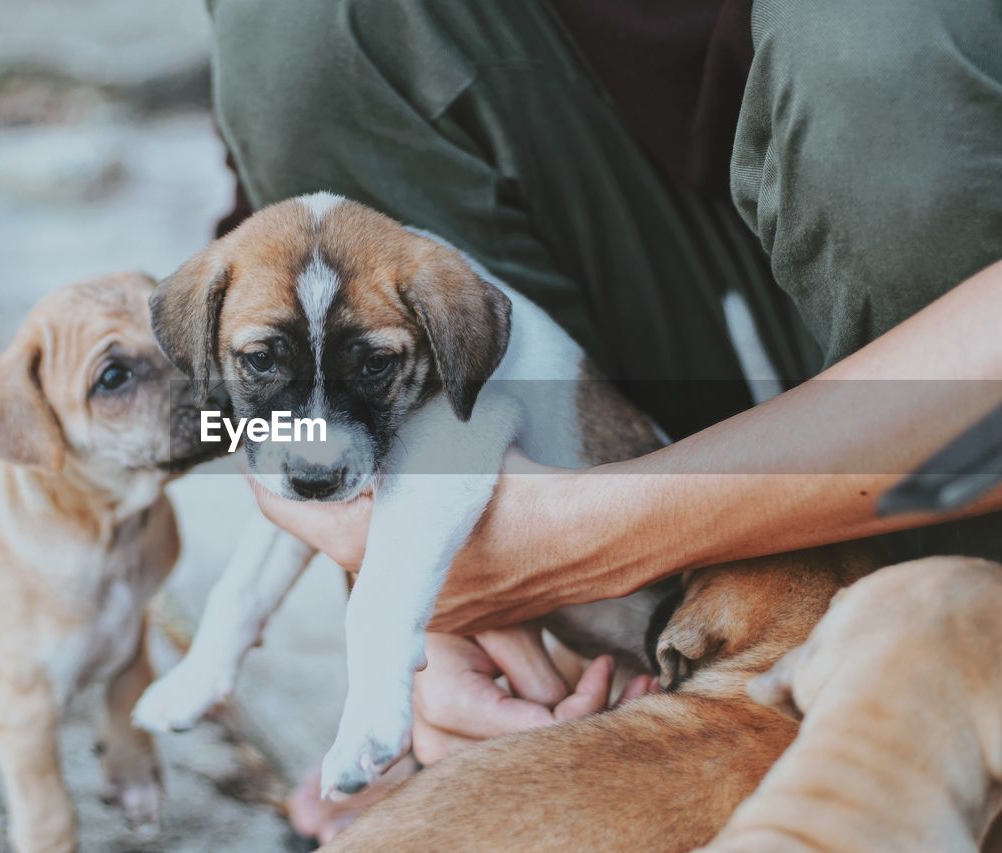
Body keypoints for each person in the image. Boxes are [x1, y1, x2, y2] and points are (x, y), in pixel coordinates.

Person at [204, 0, 1002, 840]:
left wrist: (580, 542)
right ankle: (625, 679)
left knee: (875, 39)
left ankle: (935, 674)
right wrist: (423, 602)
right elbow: (298, 284)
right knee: (301, 24)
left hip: (942, 313)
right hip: (649, 365)